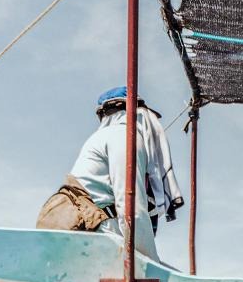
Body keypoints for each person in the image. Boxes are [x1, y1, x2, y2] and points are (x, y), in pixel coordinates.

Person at [38, 87, 186, 261]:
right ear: (137, 112)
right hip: (97, 233)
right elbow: (132, 210)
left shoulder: (104, 137)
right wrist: (152, 267)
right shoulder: (123, 135)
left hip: (87, 235)